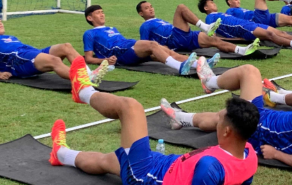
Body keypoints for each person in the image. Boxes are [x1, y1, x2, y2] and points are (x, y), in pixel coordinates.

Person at [49, 57, 259, 184]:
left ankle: (84, 91)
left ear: (227, 132)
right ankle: (60, 154)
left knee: (131, 107)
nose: (217, 119)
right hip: (167, 165)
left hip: (146, 175)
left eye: (220, 119)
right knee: (109, 161)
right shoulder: (248, 153)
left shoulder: (210, 167)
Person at [161, 58, 292, 168]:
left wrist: (276, 153)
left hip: (257, 125)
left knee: (247, 74)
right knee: (227, 110)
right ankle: (181, 116)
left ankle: (204, 89)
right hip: (266, 118)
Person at [0, 13, 110, 83]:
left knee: (66, 47)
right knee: (54, 60)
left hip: (30, 54)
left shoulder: (11, 37)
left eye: (0, 20)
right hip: (19, 62)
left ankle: (88, 75)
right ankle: (83, 80)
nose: (0, 23)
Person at [83, 5, 205, 75]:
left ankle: (199, 64)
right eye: (98, 13)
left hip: (128, 46)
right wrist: (106, 60)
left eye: (102, 12)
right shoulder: (89, 33)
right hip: (121, 54)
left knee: (167, 51)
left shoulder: (112, 28)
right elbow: (88, 58)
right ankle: (179, 67)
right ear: (90, 18)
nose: (102, 14)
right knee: (152, 45)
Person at [198, 0, 292, 49]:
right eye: (211, 3)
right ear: (206, 8)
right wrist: (233, 40)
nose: (214, 4)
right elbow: (213, 36)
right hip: (242, 29)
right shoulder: (210, 18)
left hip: (248, 24)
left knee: (280, 32)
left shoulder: (219, 13)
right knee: (270, 35)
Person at [137, 1, 260, 56]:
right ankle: (206, 27)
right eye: (147, 8)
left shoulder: (157, 20)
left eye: (151, 6)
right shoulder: (145, 26)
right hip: (175, 38)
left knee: (214, 40)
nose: (151, 9)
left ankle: (241, 51)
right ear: (141, 13)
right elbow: (144, 46)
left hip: (186, 36)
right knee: (181, 7)